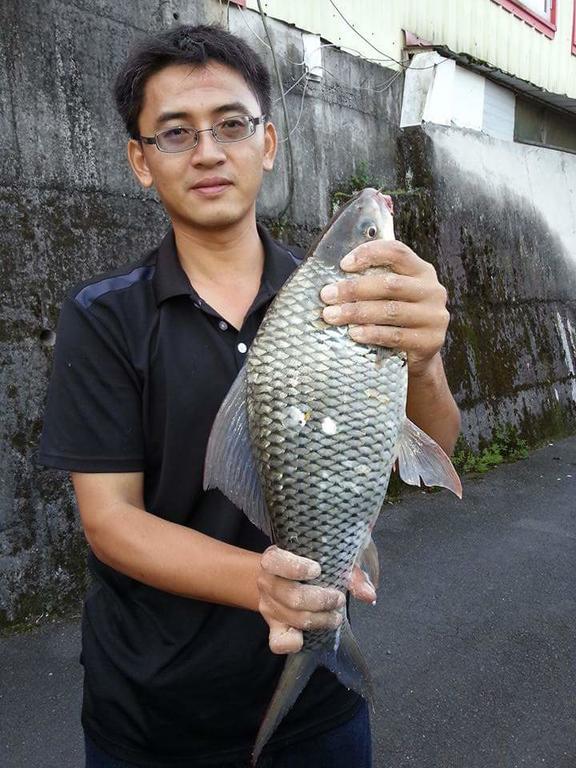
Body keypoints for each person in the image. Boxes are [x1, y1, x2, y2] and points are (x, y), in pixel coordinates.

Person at [37, 24, 460, 768]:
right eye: (176, 133)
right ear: (141, 161)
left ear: (267, 143)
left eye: (231, 125)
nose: (208, 151)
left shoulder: (342, 302)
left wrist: (422, 361)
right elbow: (110, 523)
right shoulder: (104, 317)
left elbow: (434, 452)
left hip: (319, 717)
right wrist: (264, 586)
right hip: (151, 714)